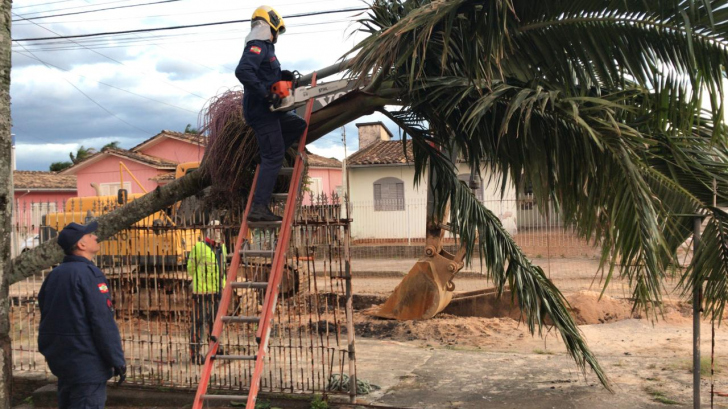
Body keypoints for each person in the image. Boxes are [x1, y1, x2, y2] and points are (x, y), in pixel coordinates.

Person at [38, 221, 126, 409]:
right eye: (90, 235)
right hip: (87, 364)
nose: (95, 236)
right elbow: (102, 321)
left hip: (64, 363)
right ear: (81, 244)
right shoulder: (89, 275)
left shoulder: (55, 275)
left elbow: (46, 313)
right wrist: (117, 360)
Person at [235, 5, 308, 222]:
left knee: (297, 124)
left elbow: (264, 74)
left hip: (271, 112)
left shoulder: (267, 49)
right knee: (275, 154)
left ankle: (266, 155)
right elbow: (243, 71)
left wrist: (281, 77)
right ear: (271, 25)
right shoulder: (257, 45)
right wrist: (267, 94)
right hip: (261, 111)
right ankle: (259, 208)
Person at [187, 220, 228, 364]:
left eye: (219, 229)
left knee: (215, 322)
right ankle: (195, 354)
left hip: (216, 293)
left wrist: (222, 286)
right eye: (215, 229)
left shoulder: (222, 248)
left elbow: (223, 270)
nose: (217, 232)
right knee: (198, 323)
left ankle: (215, 347)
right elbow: (190, 268)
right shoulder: (199, 247)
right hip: (201, 294)